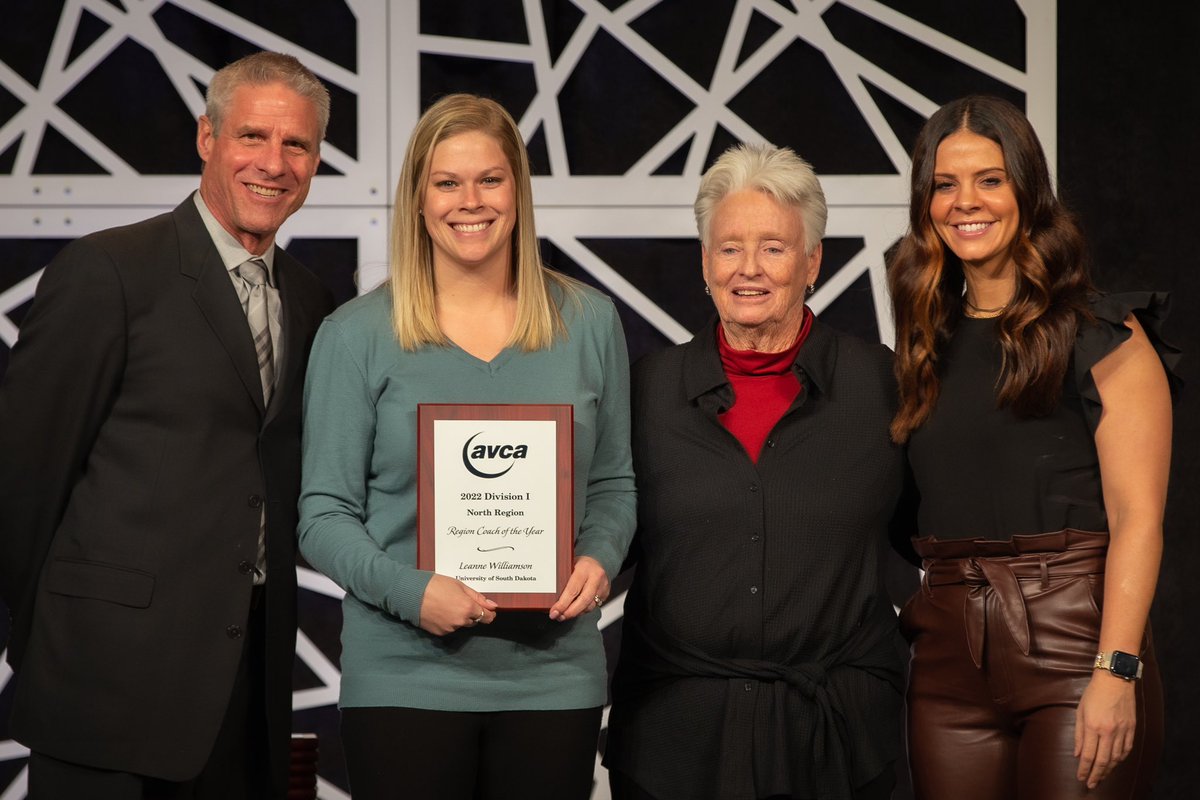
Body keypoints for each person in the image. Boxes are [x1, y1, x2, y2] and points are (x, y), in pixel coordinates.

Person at [0, 52, 333, 798]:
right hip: (105, 686)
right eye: (252, 137)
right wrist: (54, 639)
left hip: (247, 686)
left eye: (297, 146)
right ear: (206, 139)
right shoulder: (109, 271)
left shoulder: (313, 301)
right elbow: (23, 481)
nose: (273, 164)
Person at [297, 93, 635, 800]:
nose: (469, 201)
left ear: (519, 191)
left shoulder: (591, 323)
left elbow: (613, 485)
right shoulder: (356, 335)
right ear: (418, 201)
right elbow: (323, 514)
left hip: (554, 677)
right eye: (447, 182)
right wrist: (410, 591)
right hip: (403, 674)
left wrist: (600, 557)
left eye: (490, 178)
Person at [888, 95, 1178, 799]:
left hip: (1077, 647)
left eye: (990, 179)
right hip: (949, 662)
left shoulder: (1105, 334)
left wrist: (1115, 672)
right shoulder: (925, 342)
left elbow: (1138, 518)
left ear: (1028, 190)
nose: (966, 202)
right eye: (945, 184)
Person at [604, 143, 909, 800]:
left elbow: (935, 538)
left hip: (841, 741)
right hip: (672, 741)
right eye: (728, 247)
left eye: (773, 247)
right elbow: (600, 545)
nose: (748, 269)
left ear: (813, 262)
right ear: (705, 264)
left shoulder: (883, 386)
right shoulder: (644, 390)